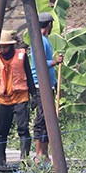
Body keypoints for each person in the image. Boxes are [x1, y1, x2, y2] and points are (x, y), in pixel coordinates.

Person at [0, 30, 35, 160]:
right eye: (0, 47)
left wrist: (35, 96)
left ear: (11, 46)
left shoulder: (21, 56)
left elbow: (29, 76)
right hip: (3, 100)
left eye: (5, 46)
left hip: (20, 98)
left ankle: (24, 158)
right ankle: (0, 159)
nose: (2, 49)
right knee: (1, 131)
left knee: (23, 128)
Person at [30, 12, 63, 163]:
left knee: (48, 119)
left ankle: (45, 153)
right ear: (49, 25)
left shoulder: (44, 40)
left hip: (48, 85)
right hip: (40, 85)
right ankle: (39, 154)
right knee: (42, 118)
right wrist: (55, 62)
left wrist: (55, 84)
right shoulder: (40, 41)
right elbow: (40, 62)